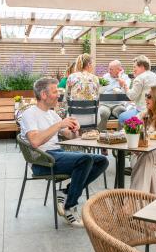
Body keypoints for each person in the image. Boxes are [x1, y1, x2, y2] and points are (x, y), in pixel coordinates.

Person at [20, 77, 109, 227]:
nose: (59, 95)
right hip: (42, 161)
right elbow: (35, 142)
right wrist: (59, 124)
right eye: (55, 92)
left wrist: (75, 129)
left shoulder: (51, 114)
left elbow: (70, 136)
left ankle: (66, 193)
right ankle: (69, 207)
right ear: (43, 95)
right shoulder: (30, 114)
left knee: (101, 160)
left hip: (58, 154)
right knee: (85, 159)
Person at [118, 55, 156, 125]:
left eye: (135, 67)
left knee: (122, 117)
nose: (133, 69)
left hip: (144, 111)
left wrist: (124, 85)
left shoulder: (139, 78)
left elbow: (131, 96)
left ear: (141, 67)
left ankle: (129, 134)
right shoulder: (154, 75)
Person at [66, 53, 99, 127]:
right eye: (92, 64)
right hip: (92, 117)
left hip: (74, 117)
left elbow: (67, 97)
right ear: (89, 64)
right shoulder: (95, 78)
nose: (93, 66)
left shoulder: (71, 77)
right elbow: (97, 97)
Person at [98, 60, 131, 131]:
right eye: (109, 69)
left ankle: (120, 135)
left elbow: (127, 93)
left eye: (111, 69)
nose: (109, 71)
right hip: (105, 104)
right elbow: (100, 91)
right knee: (102, 113)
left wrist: (120, 80)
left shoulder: (125, 78)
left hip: (119, 104)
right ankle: (101, 135)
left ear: (119, 70)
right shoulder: (105, 77)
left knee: (122, 112)